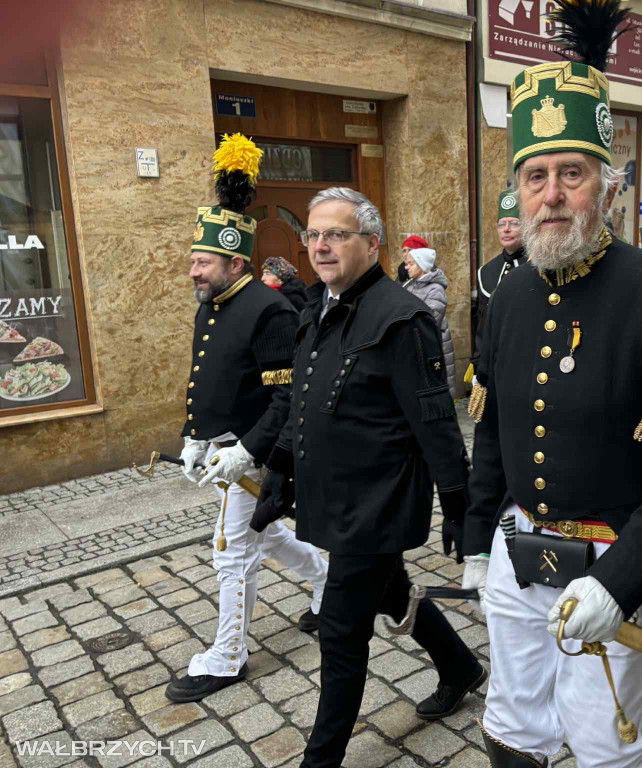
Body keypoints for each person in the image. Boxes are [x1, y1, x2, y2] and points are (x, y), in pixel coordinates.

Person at [460, 3, 642, 765]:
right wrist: (478, 541)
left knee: (604, 748)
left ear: (606, 188)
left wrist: (622, 580)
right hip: (518, 556)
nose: (550, 194)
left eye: (570, 174)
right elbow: (491, 429)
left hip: (616, 565)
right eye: (535, 176)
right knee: (512, 732)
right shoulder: (506, 293)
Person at [256, 187, 484, 768]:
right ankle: (460, 666)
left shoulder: (401, 317)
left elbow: (435, 419)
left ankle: (322, 758)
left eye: (337, 234)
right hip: (331, 492)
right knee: (389, 590)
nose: (322, 245)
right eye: (313, 235)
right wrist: (280, 469)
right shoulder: (318, 307)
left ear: (372, 243)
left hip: (379, 502)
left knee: (339, 627)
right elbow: (303, 401)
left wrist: (459, 502)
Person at [166, 134, 328, 703]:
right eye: (192, 260)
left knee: (232, 550)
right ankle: (326, 581)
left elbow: (286, 401)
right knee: (269, 534)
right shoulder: (212, 305)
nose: (193, 271)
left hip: (256, 454)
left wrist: (246, 453)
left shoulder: (270, 310)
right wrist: (193, 437)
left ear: (236, 260)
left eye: (202, 261)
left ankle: (228, 656)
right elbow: (204, 377)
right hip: (223, 449)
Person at [472, 189, 527, 376]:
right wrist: (478, 365)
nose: (506, 229)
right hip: (495, 366)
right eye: (501, 224)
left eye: (514, 223)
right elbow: (482, 327)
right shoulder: (486, 272)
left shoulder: (539, 267)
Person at [403, 246, 457, 398]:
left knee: (435, 389)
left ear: (422, 266)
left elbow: (429, 320)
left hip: (432, 347)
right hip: (415, 347)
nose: (406, 267)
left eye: (411, 263)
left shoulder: (435, 289)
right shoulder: (410, 285)